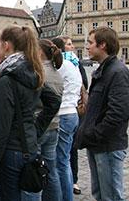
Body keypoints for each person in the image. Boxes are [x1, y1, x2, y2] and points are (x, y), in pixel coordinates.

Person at [0, 26, 60, 200]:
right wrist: (33, 129)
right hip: (27, 146)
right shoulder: (32, 71)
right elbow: (53, 101)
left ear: (7, 45)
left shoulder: (9, 78)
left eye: (0, 44)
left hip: (10, 149)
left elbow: (0, 127)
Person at [75, 27, 129, 201]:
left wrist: (95, 134)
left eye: (90, 43)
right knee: (100, 194)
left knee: (111, 197)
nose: (87, 47)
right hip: (98, 145)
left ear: (103, 45)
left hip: (107, 146)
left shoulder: (117, 72)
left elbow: (119, 113)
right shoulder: (105, 70)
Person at [22, 39, 64, 201]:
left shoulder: (39, 73)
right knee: (50, 172)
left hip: (39, 126)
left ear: (39, 52)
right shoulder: (57, 73)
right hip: (54, 126)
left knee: (32, 172)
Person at [51, 37, 82, 201]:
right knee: (64, 160)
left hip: (63, 113)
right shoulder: (72, 64)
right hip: (71, 113)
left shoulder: (61, 65)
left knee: (61, 162)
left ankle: (64, 197)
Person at [62, 36, 88, 196]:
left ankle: (74, 180)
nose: (71, 47)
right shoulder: (60, 64)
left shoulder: (76, 63)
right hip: (67, 110)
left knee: (72, 149)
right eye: (68, 45)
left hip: (74, 109)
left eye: (71, 44)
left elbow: (84, 82)